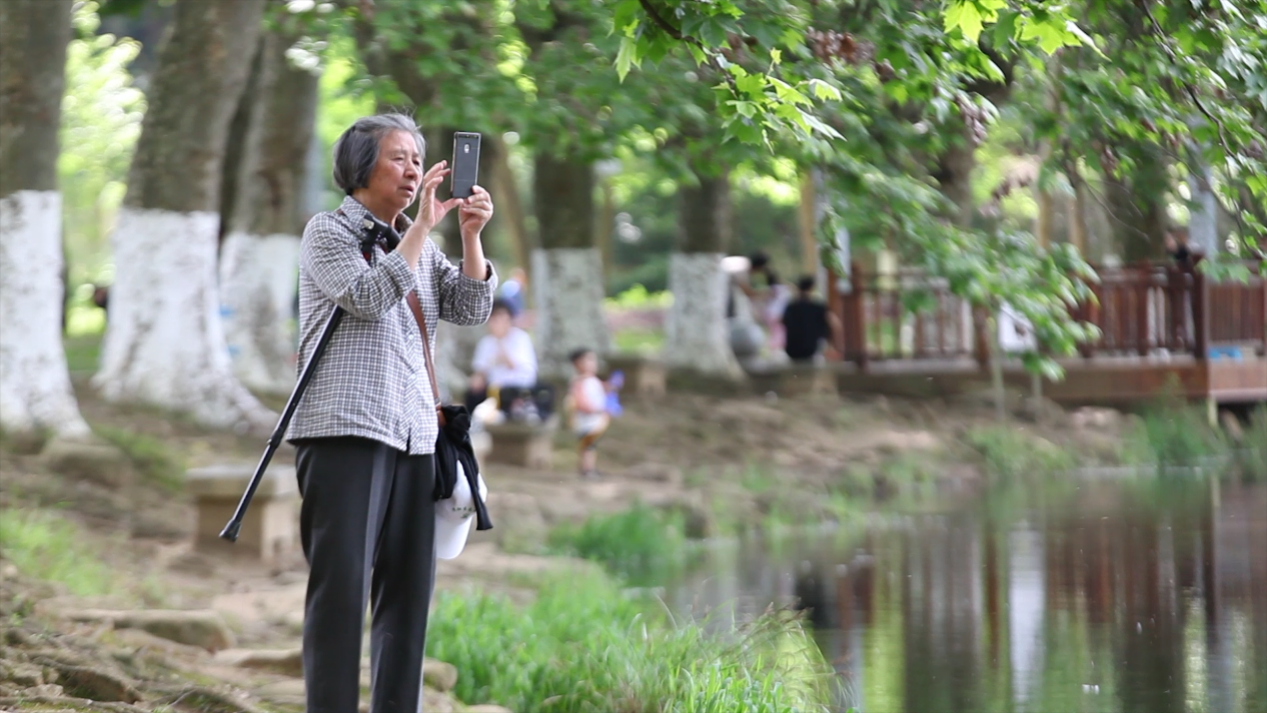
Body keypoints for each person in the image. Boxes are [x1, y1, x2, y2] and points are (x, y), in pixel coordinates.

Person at [285, 114, 497, 713]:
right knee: (342, 592)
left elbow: (469, 305)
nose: (413, 170)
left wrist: (472, 236)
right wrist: (423, 229)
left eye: (416, 159)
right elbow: (367, 298)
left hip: (414, 435)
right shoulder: (326, 233)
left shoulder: (421, 245)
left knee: (407, 594)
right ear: (360, 168)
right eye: (399, 158)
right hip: (344, 431)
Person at [465, 299, 552, 421]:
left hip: (518, 388)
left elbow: (515, 366)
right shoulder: (486, 342)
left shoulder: (521, 338)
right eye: (494, 318)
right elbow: (481, 371)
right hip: (495, 389)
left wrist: (500, 341)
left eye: (501, 317)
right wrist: (476, 380)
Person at [782, 275, 843, 363]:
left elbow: (783, 322)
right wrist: (836, 346)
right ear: (812, 288)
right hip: (812, 350)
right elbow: (835, 324)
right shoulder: (818, 306)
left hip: (792, 350)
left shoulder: (790, 307)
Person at [569, 347, 609, 479]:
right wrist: (591, 409)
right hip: (585, 421)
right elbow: (579, 401)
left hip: (594, 420)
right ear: (578, 364)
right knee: (588, 446)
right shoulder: (579, 382)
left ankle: (589, 468)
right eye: (589, 360)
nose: (593, 363)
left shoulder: (593, 380)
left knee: (591, 446)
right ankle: (587, 470)